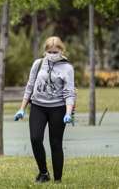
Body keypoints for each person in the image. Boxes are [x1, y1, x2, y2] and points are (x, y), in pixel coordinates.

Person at [14, 36, 76, 183]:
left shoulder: (67, 68)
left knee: (55, 143)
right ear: (45, 51)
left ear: (61, 50)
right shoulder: (38, 64)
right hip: (38, 107)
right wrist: (22, 108)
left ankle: (58, 179)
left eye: (56, 51)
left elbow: (69, 92)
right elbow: (30, 86)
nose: (53, 54)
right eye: (50, 51)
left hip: (58, 108)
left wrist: (68, 113)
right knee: (35, 139)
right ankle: (43, 173)